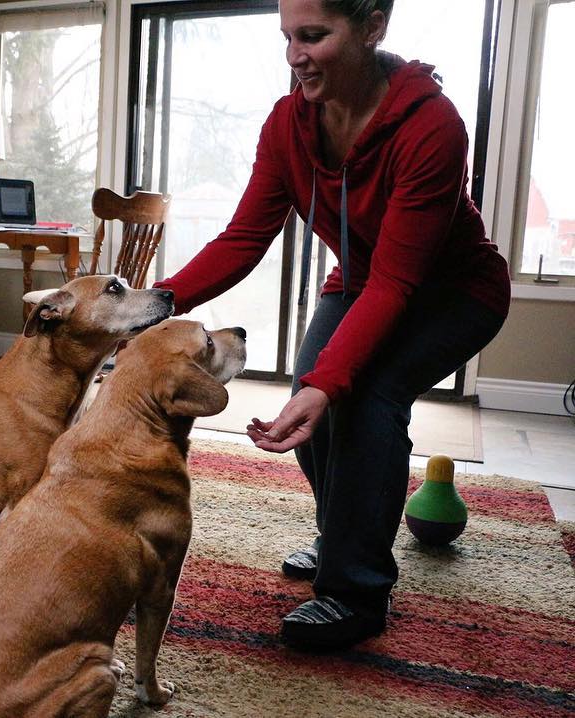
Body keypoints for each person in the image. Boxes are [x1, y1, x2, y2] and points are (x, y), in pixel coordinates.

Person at [153, 0, 510, 650]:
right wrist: (160, 301)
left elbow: (399, 282)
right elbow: (242, 239)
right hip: (362, 280)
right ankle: (343, 534)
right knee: (311, 393)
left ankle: (357, 594)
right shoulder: (288, 124)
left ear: (373, 26)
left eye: (313, 36)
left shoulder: (431, 126)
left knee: (362, 394)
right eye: (288, 37)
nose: (294, 55)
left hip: (455, 292)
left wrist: (331, 381)